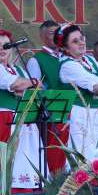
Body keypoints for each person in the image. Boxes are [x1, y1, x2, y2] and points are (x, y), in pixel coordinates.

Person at [0, 28, 42, 192]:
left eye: (6, 45)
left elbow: (27, 88)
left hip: (23, 120)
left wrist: (26, 84)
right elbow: (15, 84)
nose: (3, 48)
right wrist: (30, 82)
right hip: (3, 121)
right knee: (5, 165)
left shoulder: (19, 70)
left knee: (27, 162)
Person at [56, 24, 98, 159]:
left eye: (81, 38)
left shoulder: (89, 59)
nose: (81, 43)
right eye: (75, 41)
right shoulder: (68, 66)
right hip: (80, 116)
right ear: (66, 48)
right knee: (87, 157)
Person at [27, 20, 69, 173]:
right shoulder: (36, 60)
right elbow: (34, 92)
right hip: (53, 118)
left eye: (59, 33)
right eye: (52, 33)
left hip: (75, 115)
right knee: (56, 160)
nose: (57, 36)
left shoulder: (68, 58)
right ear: (42, 37)